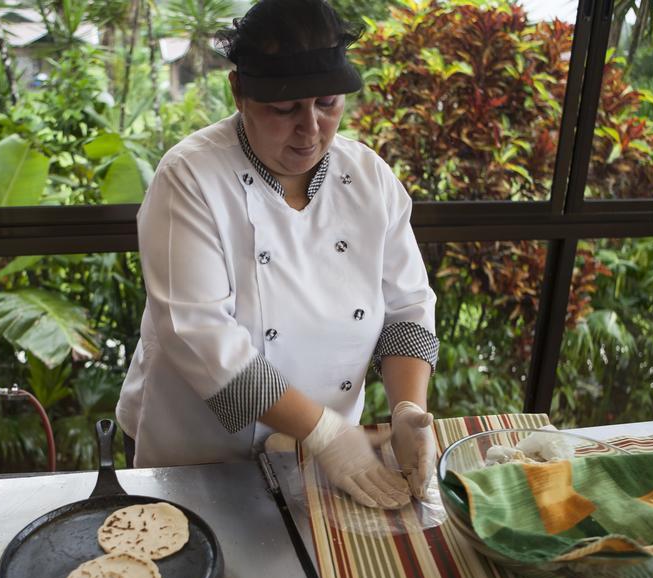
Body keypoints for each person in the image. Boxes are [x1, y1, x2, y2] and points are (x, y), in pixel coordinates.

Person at [116, 0, 439, 509]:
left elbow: (407, 310)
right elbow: (197, 334)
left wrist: (406, 409)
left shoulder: (371, 179)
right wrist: (325, 433)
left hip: (326, 459)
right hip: (200, 456)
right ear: (239, 92)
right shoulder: (190, 177)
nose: (310, 129)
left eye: (327, 103)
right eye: (285, 109)